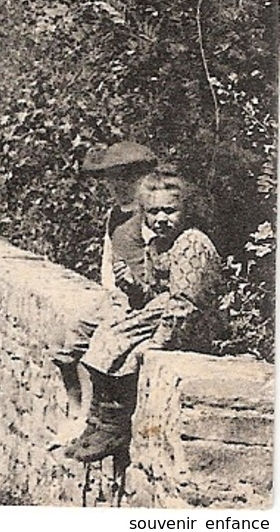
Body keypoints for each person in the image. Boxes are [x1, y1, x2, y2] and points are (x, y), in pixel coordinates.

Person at [61, 171, 224, 463]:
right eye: (153, 212)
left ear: (186, 211)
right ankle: (98, 421)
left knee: (119, 339)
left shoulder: (191, 242)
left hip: (191, 323)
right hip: (162, 311)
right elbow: (151, 293)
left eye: (170, 211)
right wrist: (132, 286)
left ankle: (112, 424)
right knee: (108, 331)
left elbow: (185, 301)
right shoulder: (159, 244)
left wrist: (159, 342)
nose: (161, 218)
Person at [50, 141, 160, 419]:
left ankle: (100, 418)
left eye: (126, 179)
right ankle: (75, 403)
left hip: (143, 300)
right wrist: (110, 294)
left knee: (105, 349)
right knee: (67, 342)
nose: (117, 187)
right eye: (112, 181)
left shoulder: (151, 217)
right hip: (117, 297)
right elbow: (108, 261)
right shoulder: (115, 216)